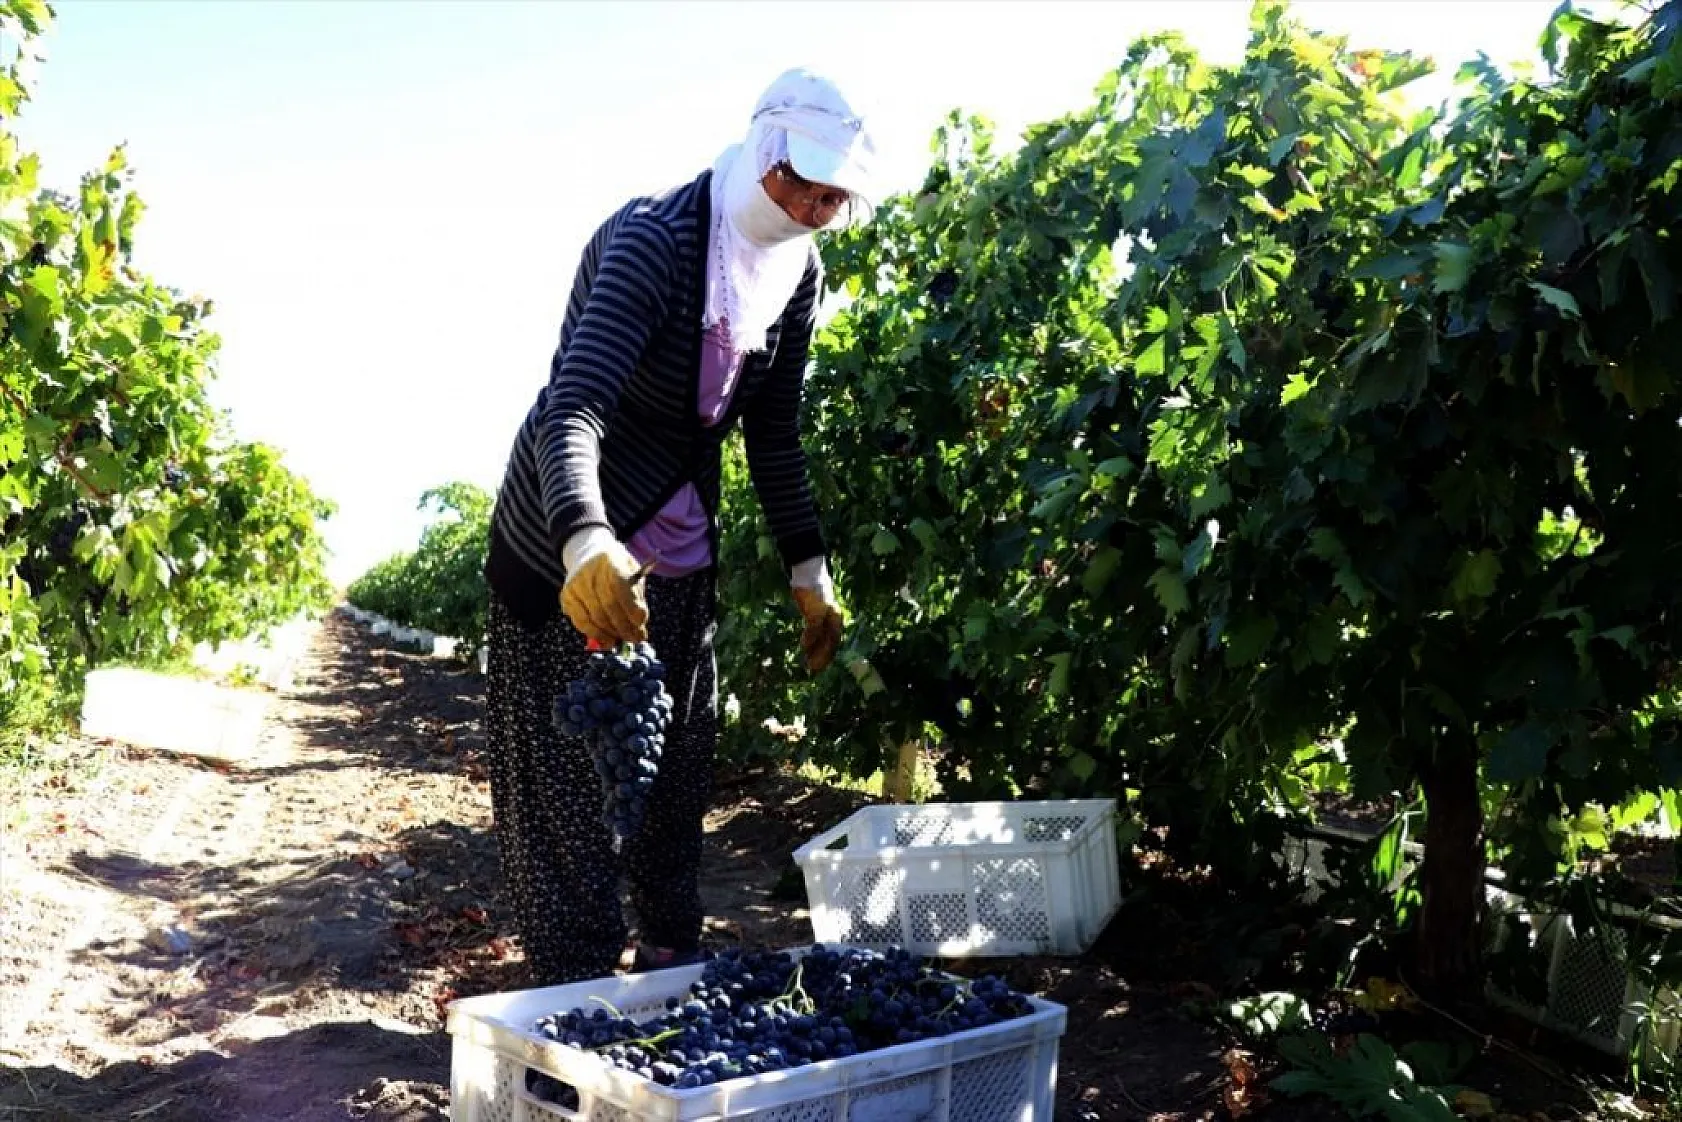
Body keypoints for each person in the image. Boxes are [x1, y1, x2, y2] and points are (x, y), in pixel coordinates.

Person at [480, 67, 879, 986]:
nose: (818, 211)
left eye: (834, 199)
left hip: (678, 554)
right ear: (762, 154)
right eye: (806, 188)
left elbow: (773, 434)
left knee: (670, 779)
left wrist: (808, 569)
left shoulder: (798, 276)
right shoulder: (655, 241)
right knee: (571, 801)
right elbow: (572, 407)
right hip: (565, 553)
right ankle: (570, 1007)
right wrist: (585, 539)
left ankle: (666, 974)